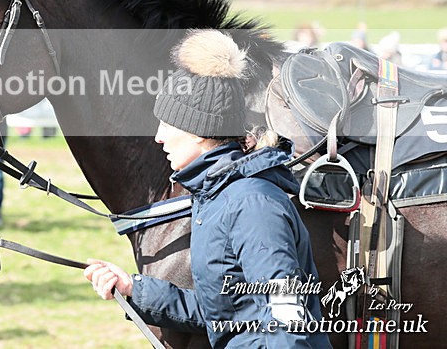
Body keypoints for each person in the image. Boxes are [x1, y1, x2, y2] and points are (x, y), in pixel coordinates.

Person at [83, 30, 330, 348]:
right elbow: (223, 313)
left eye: (167, 124)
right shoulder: (214, 197)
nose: (159, 137)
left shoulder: (252, 204)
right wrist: (133, 288)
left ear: (199, 132)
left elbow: (287, 321)